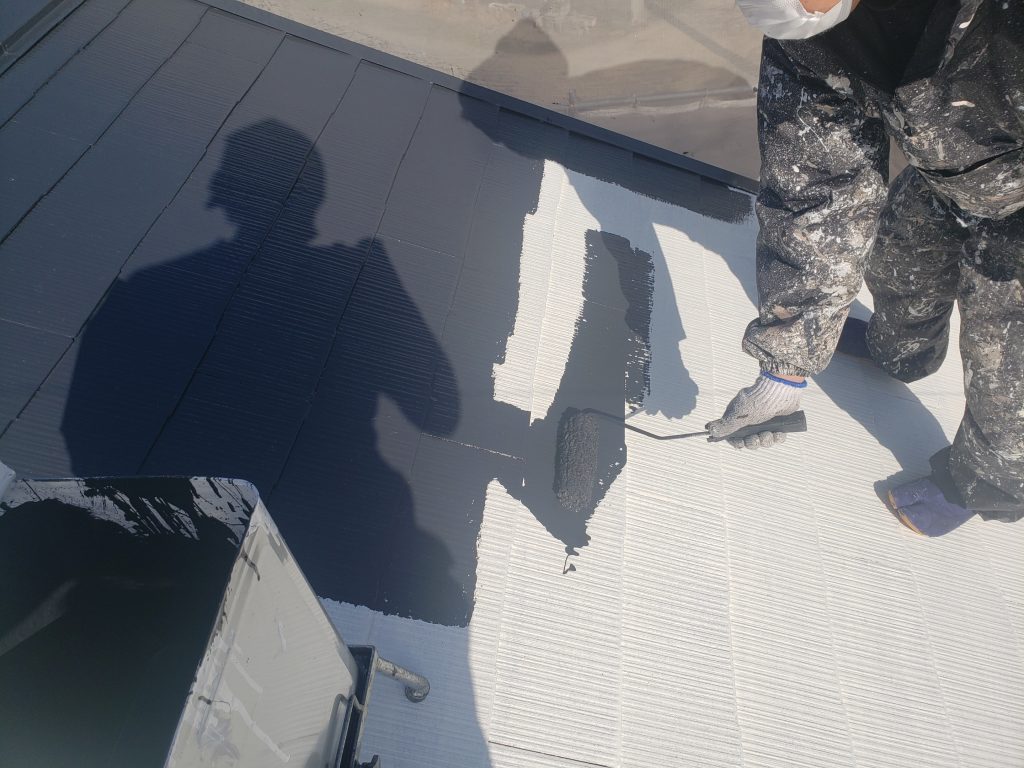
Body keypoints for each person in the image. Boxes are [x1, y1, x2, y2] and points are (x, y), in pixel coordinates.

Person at [707, 0, 1023, 535]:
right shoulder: (811, 40)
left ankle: (987, 481)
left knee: (1007, 351)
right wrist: (784, 370)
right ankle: (899, 352)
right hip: (960, 164)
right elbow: (815, 193)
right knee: (900, 256)